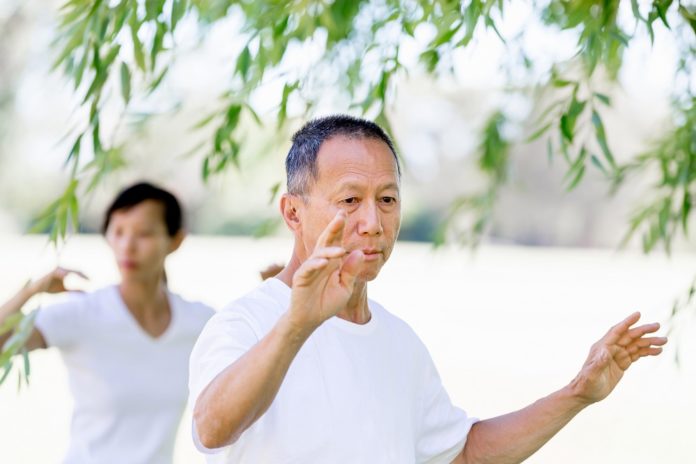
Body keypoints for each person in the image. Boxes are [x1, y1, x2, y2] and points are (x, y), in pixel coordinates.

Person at [188, 115, 667, 463]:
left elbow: (461, 455)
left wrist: (577, 393)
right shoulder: (245, 322)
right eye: (350, 200)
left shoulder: (399, 342)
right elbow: (210, 429)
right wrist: (297, 324)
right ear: (293, 212)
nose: (373, 223)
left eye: (388, 200)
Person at [0, 182, 215, 464]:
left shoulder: (199, 322)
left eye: (144, 234)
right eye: (118, 232)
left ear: (175, 240)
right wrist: (30, 291)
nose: (127, 246)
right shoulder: (82, 314)